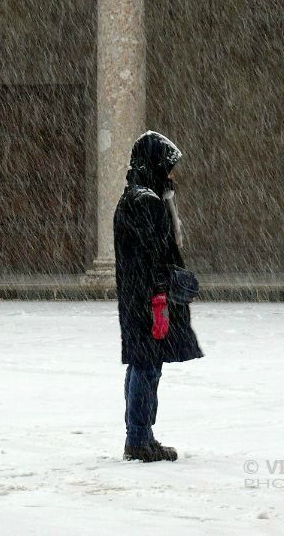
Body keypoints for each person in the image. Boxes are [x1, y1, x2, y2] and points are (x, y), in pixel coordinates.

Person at [114, 131, 204, 463]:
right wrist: (164, 288)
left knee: (145, 363)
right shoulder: (145, 201)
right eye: (167, 166)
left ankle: (141, 436)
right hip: (150, 298)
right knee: (147, 365)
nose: (171, 175)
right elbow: (151, 253)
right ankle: (138, 439)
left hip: (143, 294)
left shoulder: (141, 196)